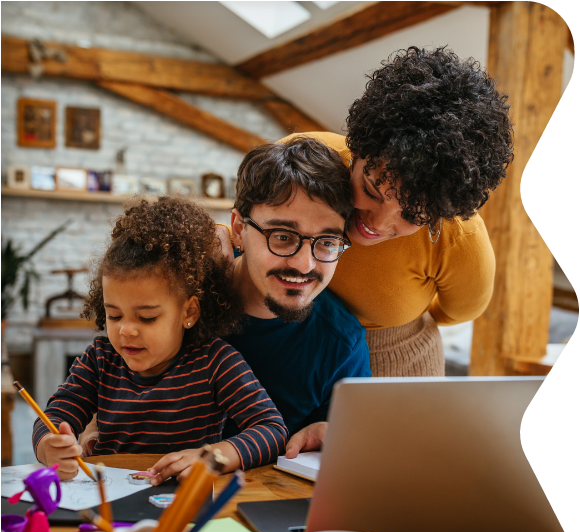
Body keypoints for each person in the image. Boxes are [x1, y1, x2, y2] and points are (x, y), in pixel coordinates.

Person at [276, 46, 513, 379]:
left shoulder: (460, 239)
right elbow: (249, 223)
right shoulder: (306, 157)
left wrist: (395, 316)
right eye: (372, 190)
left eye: (413, 215)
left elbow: (458, 311)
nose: (376, 223)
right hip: (281, 347)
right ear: (357, 151)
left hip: (394, 364)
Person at [33, 196, 288, 482]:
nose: (125, 331)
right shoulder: (101, 358)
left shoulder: (216, 362)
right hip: (106, 498)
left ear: (188, 311)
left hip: (180, 503)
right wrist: (49, 446)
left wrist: (214, 456)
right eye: (114, 316)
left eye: (147, 317)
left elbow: (271, 429)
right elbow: (56, 414)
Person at [219, 136, 372, 458]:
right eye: (283, 237)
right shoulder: (179, 299)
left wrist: (337, 437)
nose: (304, 264)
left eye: (328, 241)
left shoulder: (342, 342)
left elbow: (347, 443)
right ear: (238, 229)